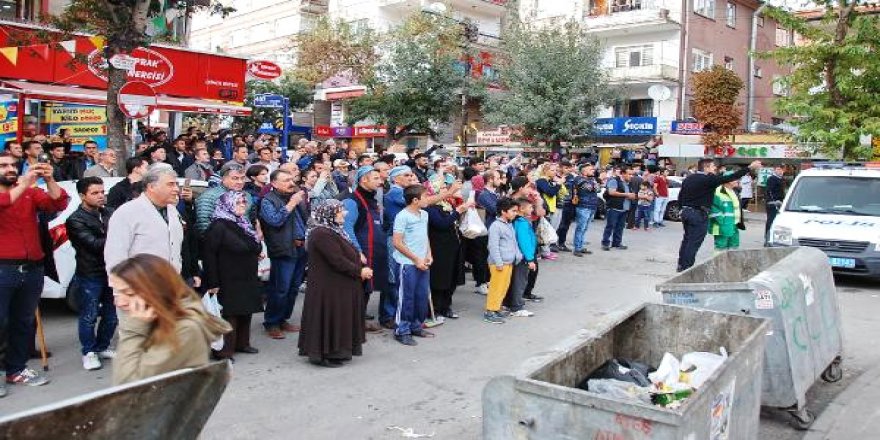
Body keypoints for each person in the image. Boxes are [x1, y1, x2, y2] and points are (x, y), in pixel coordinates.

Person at [0, 153, 68, 393]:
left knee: (23, 322)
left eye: (12, 165)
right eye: (3, 166)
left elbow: (58, 203)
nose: (10, 169)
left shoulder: (27, 190)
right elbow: (4, 202)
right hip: (3, 268)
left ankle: (15, 370)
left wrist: (49, 180)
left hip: (31, 269)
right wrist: (26, 183)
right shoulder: (20, 189)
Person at [109, 254, 230, 385]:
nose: (119, 302)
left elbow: (128, 384)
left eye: (129, 293)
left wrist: (133, 331)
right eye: (116, 292)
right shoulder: (154, 317)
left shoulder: (184, 329)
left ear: (156, 290)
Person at [298, 200, 371, 367]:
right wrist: (359, 271)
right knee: (329, 318)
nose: (343, 214)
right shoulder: (321, 233)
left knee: (338, 318)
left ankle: (338, 351)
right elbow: (336, 260)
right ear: (328, 213)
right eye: (339, 211)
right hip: (328, 287)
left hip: (337, 284)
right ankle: (324, 354)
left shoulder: (333, 230)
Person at [202, 191, 263, 360]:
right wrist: (213, 281)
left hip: (246, 275)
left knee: (245, 310)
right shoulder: (218, 225)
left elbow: (253, 246)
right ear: (228, 204)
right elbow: (209, 255)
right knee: (229, 314)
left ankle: (242, 343)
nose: (243, 204)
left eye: (244, 202)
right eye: (238, 202)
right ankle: (223, 350)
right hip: (227, 277)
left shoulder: (243, 223)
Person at [66, 177, 118, 371]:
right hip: (90, 273)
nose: (100, 196)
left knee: (112, 314)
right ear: (82, 196)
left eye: (102, 192)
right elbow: (94, 245)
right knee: (89, 314)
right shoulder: (75, 219)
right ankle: (88, 351)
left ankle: (103, 346)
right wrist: (117, 235)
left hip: (112, 270)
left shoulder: (109, 213)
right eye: (95, 193)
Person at [676, 159, 761, 272]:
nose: (714, 168)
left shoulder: (689, 178)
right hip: (698, 214)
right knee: (693, 242)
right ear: (705, 168)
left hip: (687, 213)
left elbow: (681, 195)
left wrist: (681, 209)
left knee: (687, 240)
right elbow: (729, 178)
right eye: (712, 166)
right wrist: (750, 167)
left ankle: (681, 264)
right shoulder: (708, 179)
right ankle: (686, 268)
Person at [105, 164, 184, 273]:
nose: (176, 189)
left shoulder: (172, 210)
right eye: (170, 184)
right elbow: (115, 256)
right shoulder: (127, 212)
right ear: (151, 187)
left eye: (176, 184)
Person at [260, 169, 308, 339]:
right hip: (283, 250)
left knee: (294, 288)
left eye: (291, 179)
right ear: (274, 183)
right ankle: (272, 322)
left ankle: (283, 319)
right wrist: (291, 204)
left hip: (301, 248)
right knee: (281, 288)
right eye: (286, 180)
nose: (291, 183)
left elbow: (305, 219)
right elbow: (274, 221)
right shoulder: (268, 201)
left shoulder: (294, 196)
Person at [342, 166, 389, 332]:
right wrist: (358, 252)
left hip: (374, 251)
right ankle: (352, 324)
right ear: (363, 180)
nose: (380, 181)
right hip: (361, 252)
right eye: (376, 178)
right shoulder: (352, 200)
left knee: (367, 288)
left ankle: (359, 320)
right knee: (358, 289)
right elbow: (347, 229)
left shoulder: (372, 199)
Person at [391, 185, 433, 346]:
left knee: (421, 296)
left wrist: (429, 254)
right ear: (415, 200)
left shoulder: (424, 214)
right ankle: (402, 330)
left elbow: (425, 236)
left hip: (422, 262)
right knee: (406, 298)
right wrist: (416, 259)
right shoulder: (402, 216)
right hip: (407, 263)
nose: (428, 198)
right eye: (426, 196)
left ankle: (416, 325)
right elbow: (397, 242)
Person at [424, 177, 470, 320]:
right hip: (439, 247)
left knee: (451, 277)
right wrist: (457, 211)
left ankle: (446, 306)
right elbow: (441, 224)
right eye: (443, 188)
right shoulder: (430, 207)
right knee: (440, 278)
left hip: (453, 245)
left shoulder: (447, 204)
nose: (446, 191)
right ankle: (436, 309)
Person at [484, 197, 521, 325]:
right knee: (496, 287)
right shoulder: (496, 226)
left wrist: (517, 255)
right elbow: (493, 246)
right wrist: (499, 262)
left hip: (509, 262)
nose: (515, 213)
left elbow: (514, 242)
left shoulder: (509, 225)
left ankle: (497, 307)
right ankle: (490, 311)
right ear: (503, 212)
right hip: (499, 263)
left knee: (503, 287)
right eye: (513, 211)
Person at [503, 198, 538, 318]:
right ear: (522, 209)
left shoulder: (516, 221)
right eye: (530, 207)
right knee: (520, 282)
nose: (532, 209)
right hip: (522, 257)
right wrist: (530, 259)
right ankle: (517, 307)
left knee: (512, 281)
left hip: (516, 256)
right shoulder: (522, 223)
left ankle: (508, 303)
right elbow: (525, 242)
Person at [195, 162, 252, 234]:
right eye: (235, 178)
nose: (240, 182)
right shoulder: (209, 197)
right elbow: (204, 225)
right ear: (223, 179)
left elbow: (250, 219)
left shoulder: (247, 195)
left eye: (242, 178)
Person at [601, 166, 636, 251]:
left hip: (624, 208)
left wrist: (632, 196)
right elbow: (611, 192)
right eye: (629, 174)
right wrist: (627, 195)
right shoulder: (614, 180)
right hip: (614, 207)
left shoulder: (628, 183)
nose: (631, 176)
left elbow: (630, 194)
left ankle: (617, 243)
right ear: (623, 174)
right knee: (610, 226)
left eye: (632, 174)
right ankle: (605, 243)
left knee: (620, 227)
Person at [710, 174, 745, 252]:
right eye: (734, 179)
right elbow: (713, 208)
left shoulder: (734, 191)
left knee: (734, 245)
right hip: (722, 224)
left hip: (734, 223)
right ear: (727, 181)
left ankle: (731, 263)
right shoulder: (717, 191)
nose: (737, 181)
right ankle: (720, 264)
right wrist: (721, 220)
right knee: (721, 246)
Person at [572, 163, 600, 256]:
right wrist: (594, 185)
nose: (593, 171)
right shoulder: (578, 179)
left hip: (591, 206)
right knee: (580, 228)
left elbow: (598, 189)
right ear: (584, 171)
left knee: (585, 228)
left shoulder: (591, 179)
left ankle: (580, 246)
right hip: (583, 206)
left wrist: (594, 184)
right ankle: (577, 248)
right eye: (591, 169)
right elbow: (590, 188)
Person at [765, 164, 786, 244]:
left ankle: (776, 239)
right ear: (774, 170)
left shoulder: (781, 179)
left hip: (780, 203)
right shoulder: (772, 179)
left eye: (781, 169)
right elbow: (769, 191)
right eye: (778, 169)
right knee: (771, 221)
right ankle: (767, 239)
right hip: (773, 203)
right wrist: (774, 202)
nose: (780, 171)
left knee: (778, 222)